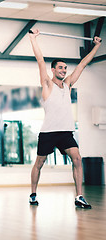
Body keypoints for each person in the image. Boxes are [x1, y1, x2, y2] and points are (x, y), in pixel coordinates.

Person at [28, 29, 102, 209]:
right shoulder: (47, 84)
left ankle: (79, 196)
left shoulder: (67, 84)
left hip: (65, 132)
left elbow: (83, 65)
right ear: (53, 70)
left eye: (65, 68)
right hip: (48, 133)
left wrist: (96, 47)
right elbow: (40, 60)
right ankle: (33, 194)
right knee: (39, 163)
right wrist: (33, 39)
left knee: (77, 159)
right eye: (60, 68)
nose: (63, 70)